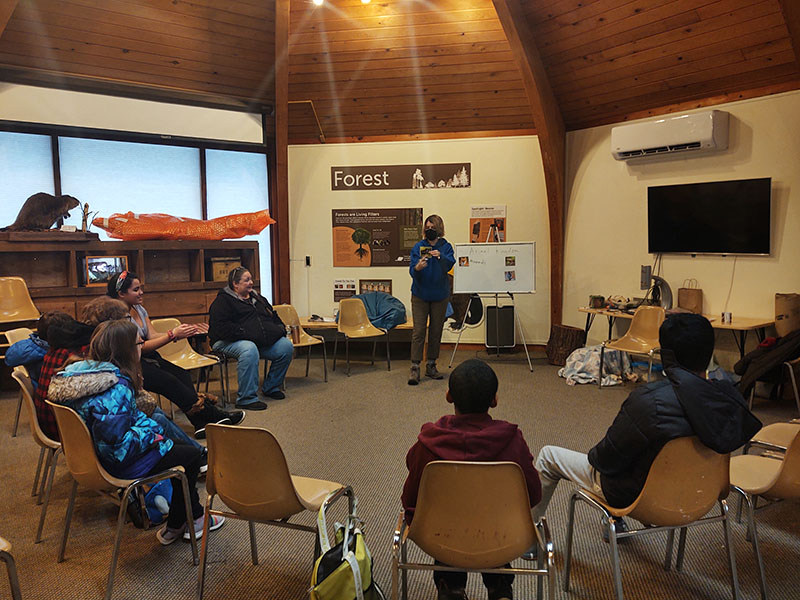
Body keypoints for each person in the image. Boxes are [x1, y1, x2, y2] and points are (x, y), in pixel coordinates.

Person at [533, 313, 762, 528]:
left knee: (548, 456)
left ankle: (529, 539)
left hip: (641, 498)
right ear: (708, 351)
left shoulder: (649, 402)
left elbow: (604, 459)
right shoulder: (729, 397)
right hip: (701, 496)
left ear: (666, 354)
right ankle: (613, 520)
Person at [48, 320, 224, 544]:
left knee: (180, 448)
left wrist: (150, 428)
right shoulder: (115, 388)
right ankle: (193, 520)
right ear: (127, 350)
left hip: (88, 457)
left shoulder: (79, 376)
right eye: (139, 342)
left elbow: (116, 426)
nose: (142, 346)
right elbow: (118, 446)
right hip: (116, 463)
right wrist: (153, 433)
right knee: (189, 457)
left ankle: (179, 522)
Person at [402, 359, 541, 600]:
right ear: (494, 400)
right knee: (496, 524)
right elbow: (534, 493)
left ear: (448, 396)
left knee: (446, 519)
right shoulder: (512, 441)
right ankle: (500, 589)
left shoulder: (427, 443)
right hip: (501, 534)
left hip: (438, 535)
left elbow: (410, 499)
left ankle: (450, 587)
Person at [107, 271, 244, 438]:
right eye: (136, 290)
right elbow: (140, 347)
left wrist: (176, 333)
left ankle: (200, 422)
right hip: (128, 364)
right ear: (121, 294)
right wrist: (172, 335)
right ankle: (211, 415)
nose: (141, 292)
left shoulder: (139, 309)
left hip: (147, 358)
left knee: (181, 375)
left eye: (140, 288)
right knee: (169, 381)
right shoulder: (117, 317)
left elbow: (152, 336)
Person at [208, 266, 293, 411]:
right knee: (249, 349)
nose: (251, 283)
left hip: (257, 340)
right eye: (246, 280)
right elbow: (221, 328)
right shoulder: (222, 301)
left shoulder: (257, 298)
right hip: (226, 342)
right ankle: (246, 398)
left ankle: (271, 387)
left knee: (286, 346)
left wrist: (280, 329)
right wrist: (248, 334)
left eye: (251, 279)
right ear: (235, 284)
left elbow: (273, 315)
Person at [408, 215, 455, 385]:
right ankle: (414, 367)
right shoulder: (418, 246)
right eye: (427, 227)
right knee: (419, 331)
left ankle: (431, 365)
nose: (429, 230)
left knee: (436, 331)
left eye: (432, 227)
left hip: (440, 296)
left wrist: (440, 257)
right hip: (420, 296)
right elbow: (412, 270)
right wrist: (418, 267)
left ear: (438, 228)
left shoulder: (446, 246)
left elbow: (450, 264)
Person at [5, 310, 68, 387]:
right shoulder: (54, 352)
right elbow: (10, 358)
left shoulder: (34, 343)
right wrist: (41, 350)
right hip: (49, 389)